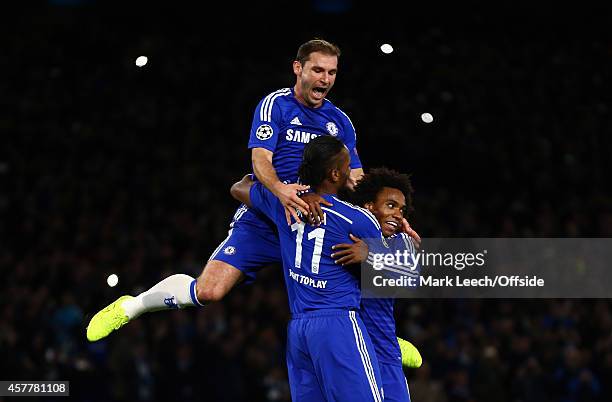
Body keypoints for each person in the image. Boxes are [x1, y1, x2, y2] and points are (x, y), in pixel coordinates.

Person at [86, 39, 365, 342]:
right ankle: (133, 305)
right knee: (209, 290)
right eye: (318, 70)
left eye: (332, 73)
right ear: (298, 68)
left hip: (311, 220)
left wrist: (385, 207)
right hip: (265, 216)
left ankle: (383, 339)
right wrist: (280, 189)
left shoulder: (340, 122)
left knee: (361, 262)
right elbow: (260, 158)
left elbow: (356, 179)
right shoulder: (276, 105)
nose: (326, 79)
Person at [230, 136, 384, 401]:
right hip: (339, 326)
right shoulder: (357, 219)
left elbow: (238, 188)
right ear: (335, 173)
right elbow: (402, 274)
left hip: (299, 332)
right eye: (348, 165)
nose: (352, 172)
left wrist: (285, 191)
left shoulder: (285, 204)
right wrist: (371, 255)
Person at [330, 167, 422, 402]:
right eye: (391, 205)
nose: (398, 214)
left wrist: (369, 256)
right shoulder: (344, 230)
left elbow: (410, 280)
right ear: (369, 206)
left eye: (401, 209)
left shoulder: (400, 241)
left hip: (384, 353)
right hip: (348, 352)